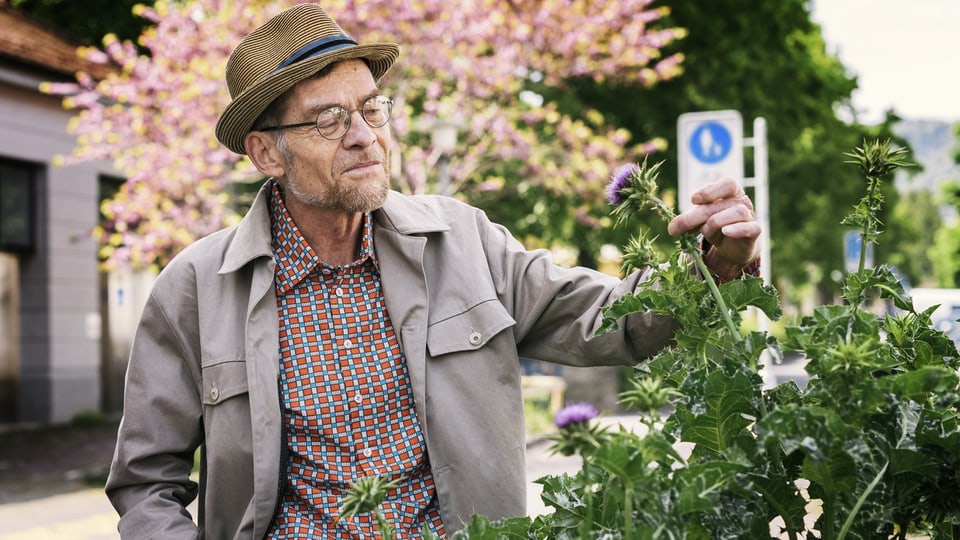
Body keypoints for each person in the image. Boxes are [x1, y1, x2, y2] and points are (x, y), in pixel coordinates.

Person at [105, 3, 761, 539]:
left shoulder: (463, 239)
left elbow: (610, 321)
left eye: (370, 108)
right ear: (266, 153)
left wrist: (709, 266)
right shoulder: (193, 289)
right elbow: (146, 483)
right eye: (330, 120)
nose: (364, 135)